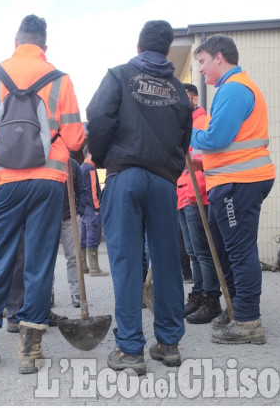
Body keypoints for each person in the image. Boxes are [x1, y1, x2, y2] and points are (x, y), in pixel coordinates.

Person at [0, 14, 84, 375]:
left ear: (16, 42)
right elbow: (76, 137)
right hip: (47, 182)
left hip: (3, 183)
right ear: (44, 46)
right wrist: (59, 152)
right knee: (38, 262)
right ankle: (30, 351)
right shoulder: (60, 80)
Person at [87, 20, 192, 374]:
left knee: (127, 262)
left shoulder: (118, 76)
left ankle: (130, 349)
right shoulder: (178, 90)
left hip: (125, 176)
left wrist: (104, 158)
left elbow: (98, 117)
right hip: (163, 182)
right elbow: (184, 138)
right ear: (166, 50)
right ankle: (168, 344)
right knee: (166, 259)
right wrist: (170, 168)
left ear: (138, 46)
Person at [191, 35, 275, 344]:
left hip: (239, 183)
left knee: (239, 251)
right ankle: (238, 307)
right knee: (226, 250)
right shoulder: (231, 89)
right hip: (231, 181)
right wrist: (206, 165)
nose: (200, 69)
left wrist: (186, 133)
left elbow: (216, 138)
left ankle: (248, 320)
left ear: (219, 57)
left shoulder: (234, 89)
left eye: (202, 61)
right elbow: (224, 143)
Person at [177, 83, 222, 324]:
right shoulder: (182, 124)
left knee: (203, 252)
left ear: (193, 99)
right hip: (182, 193)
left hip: (197, 192)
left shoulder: (203, 121)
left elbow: (205, 157)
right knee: (193, 252)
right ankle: (198, 294)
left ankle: (211, 298)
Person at [53, 155, 88, 307]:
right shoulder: (45, 159)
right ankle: (47, 294)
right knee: (47, 259)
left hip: (70, 216)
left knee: (74, 256)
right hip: (49, 218)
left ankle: (76, 292)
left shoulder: (73, 164)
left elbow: (83, 189)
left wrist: (79, 212)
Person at [80, 145, 109, 277]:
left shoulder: (81, 168)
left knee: (84, 238)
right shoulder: (91, 169)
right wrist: (97, 208)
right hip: (92, 209)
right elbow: (93, 190)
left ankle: (84, 267)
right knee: (93, 237)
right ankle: (94, 268)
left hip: (84, 209)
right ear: (89, 154)